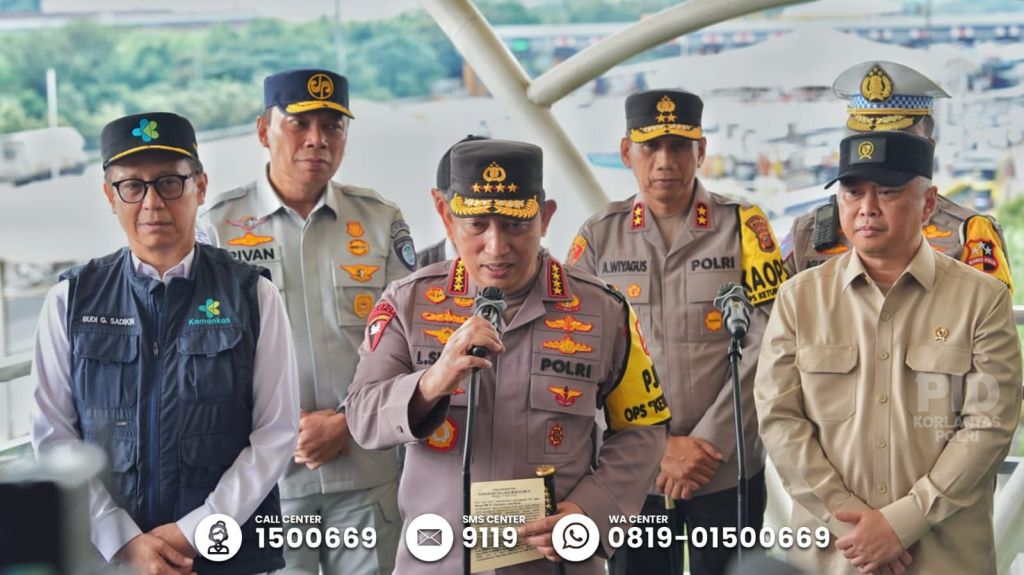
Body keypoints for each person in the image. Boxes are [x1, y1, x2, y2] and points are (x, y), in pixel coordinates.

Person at [346, 138, 670, 574]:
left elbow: (644, 427)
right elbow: (363, 416)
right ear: (446, 216)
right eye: (477, 225)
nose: (496, 247)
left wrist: (589, 510)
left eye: (516, 225)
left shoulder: (603, 310)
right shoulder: (408, 302)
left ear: (546, 217)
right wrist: (432, 381)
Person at [31, 112, 299, 574]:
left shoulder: (252, 295)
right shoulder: (70, 301)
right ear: (110, 196)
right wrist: (121, 539)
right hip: (110, 560)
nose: (152, 202)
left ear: (201, 187)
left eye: (170, 183)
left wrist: (196, 531)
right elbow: (53, 436)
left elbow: (276, 433)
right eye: (132, 186)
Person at [756, 131, 1022, 574]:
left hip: (945, 557)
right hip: (832, 555)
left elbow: (989, 425)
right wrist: (852, 527)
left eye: (888, 192)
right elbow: (778, 418)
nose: (867, 208)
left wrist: (901, 523)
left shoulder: (982, 300)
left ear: (929, 202)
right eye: (853, 192)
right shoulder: (799, 299)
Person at [198, 68, 413, 574]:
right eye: (299, 123)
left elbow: (411, 340)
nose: (318, 139)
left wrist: (347, 421)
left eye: (333, 125)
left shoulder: (379, 220)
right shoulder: (217, 228)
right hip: (264, 487)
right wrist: (279, 431)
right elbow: (201, 354)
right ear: (263, 130)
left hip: (365, 477)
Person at [567, 90, 783, 575]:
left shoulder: (742, 227)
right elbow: (578, 355)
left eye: (680, 146)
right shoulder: (599, 236)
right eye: (650, 147)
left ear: (701, 151)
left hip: (725, 468)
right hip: (632, 476)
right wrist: (658, 450)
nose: (665, 161)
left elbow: (769, 343)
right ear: (627, 152)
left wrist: (709, 442)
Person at [782, 61, 1013, 293]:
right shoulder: (808, 232)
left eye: (899, 142)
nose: (876, 153)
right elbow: (776, 311)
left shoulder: (968, 233)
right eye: (864, 140)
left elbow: (988, 309)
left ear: (929, 149)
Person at [416, 134, 489, 269]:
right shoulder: (410, 274)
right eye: (477, 224)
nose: (496, 247)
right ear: (445, 212)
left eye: (512, 224)